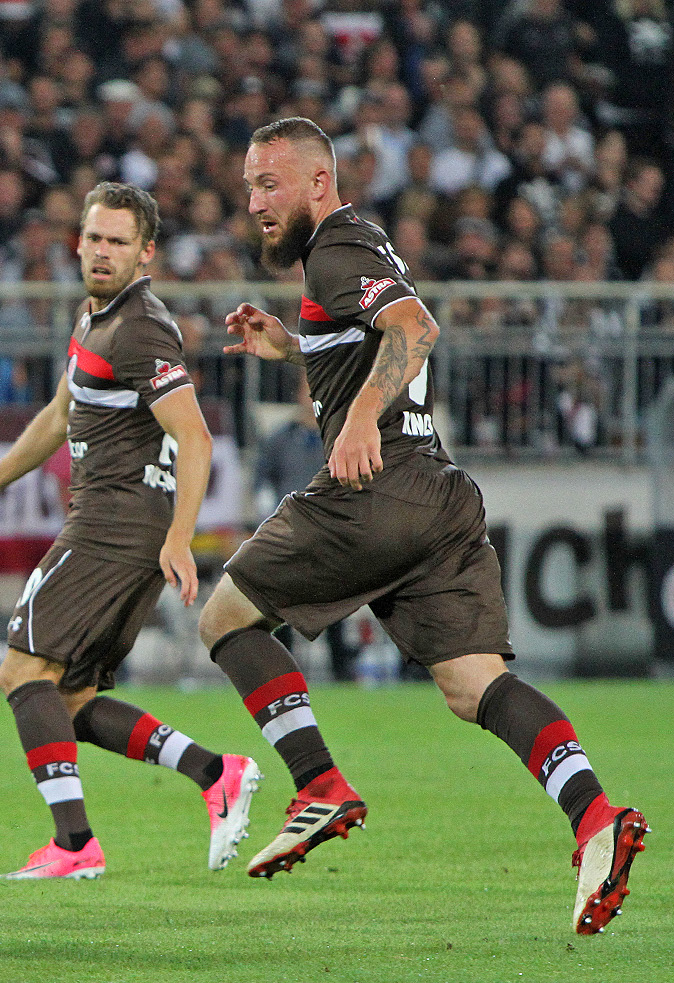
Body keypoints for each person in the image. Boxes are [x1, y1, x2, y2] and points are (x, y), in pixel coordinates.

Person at [206, 118, 645, 934]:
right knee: (472, 684)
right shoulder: (353, 246)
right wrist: (295, 348)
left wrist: (359, 418)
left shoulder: (334, 248)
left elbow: (414, 329)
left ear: (317, 182)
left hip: (376, 487)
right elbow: (372, 338)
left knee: (224, 616)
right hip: (436, 492)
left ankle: (317, 784)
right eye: (248, 187)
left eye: (270, 184)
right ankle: (595, 816)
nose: (256, 202)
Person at [0, 182, 261, 880]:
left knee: (22, 669)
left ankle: (73, 844)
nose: (102, 251)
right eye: (94, 238)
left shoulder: (141, 326)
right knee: (69, 699)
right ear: (78, 240)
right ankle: (218, 773)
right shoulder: (96, 320)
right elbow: (58, 417)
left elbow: (196, 439)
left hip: (114, 525)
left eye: (119, 242)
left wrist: (180, 537)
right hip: (118, 526)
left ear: (145, 253)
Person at [253, 374, 356, 683]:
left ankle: (342, 667)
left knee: (335, 602)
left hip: (331, 533)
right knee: (282, 602)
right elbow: (262, 482)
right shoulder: (280, 439)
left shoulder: (340, 437)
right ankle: (281, 670)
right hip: (289, 533)